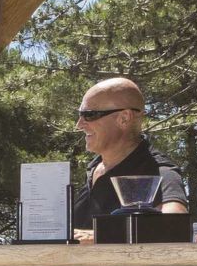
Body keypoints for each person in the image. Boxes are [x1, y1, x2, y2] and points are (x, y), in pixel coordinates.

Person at [70, 77, 189, 239]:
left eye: (89, 115)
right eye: (80, 115)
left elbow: (175, 225)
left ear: (124, 118)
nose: (79, 124)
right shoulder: (93, 169)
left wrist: (99, 237)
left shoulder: (157, 170)